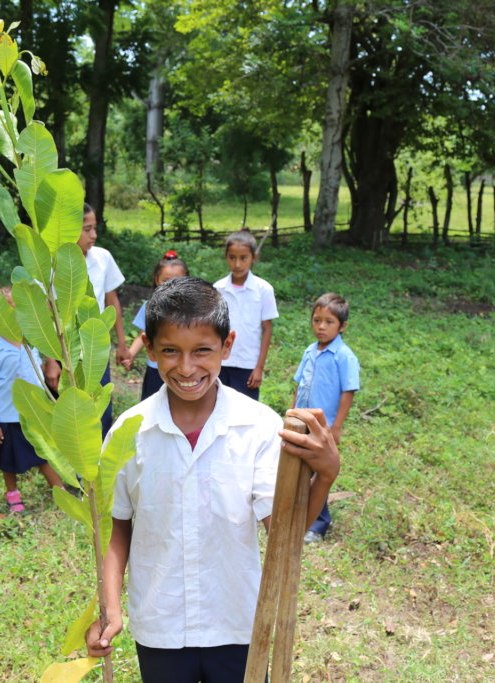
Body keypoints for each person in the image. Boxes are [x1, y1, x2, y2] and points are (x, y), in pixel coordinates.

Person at [84, 276, 340, 682]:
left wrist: (325, 476)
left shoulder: (258, 427)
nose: (187, 368)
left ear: (227, 345)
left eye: (202, 350)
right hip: (160, 623)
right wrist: (110, 609)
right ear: (149, 349)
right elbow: (118, 530)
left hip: (237, 623)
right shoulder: (128, 432)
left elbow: (284, 536)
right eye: (170, 351)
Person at [0, 290, 63, 513]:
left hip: (33, 412)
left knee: (43, 454)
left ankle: (60, 490)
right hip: (8, 415)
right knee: (8, 460)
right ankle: (12, 493)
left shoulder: (30, 340)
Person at [292, 293, 360, 544]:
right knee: (298, 469)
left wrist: (336, 427)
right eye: (316, 320)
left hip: (323, 426)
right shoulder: (310, 351)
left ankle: (319, 524)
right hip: (301, 422)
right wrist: (291, 414)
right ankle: (299, 513)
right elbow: (299, 386)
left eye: (329, 322)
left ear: (342, 326)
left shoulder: (344, 356)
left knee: (318, 472)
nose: (321, 326)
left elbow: (348, 392)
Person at [68, 202, 130, 435]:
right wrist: (51, 361)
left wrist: (121, 344)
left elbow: (112, 301)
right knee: (72, 414)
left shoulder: (102, 258)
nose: (93, 235)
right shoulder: (53, 265)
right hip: (67, 353)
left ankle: (98, 467)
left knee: (100, 410)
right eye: (87, 229)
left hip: (96, 349)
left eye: (95, 228)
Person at [213, 231, 278, 401]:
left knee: (245, 412)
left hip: (247, 364)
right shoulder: (218, 289)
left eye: (243, 258)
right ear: (226, 257)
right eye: (232, 257)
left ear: (254, 257)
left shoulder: (263, 289)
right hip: (220, 362)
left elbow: (267, 329)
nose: (237, 264)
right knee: (217, 407)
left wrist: (259, 368)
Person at [121, 249, 190, 400]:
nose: (172, 286)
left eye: (178, 280)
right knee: (152, 406)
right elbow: (142, 335)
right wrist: (130, 354)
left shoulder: (192, 310)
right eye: (166, 281)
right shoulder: (149, 306)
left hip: (182, 370)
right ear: (157, 280)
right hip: (155, 369)